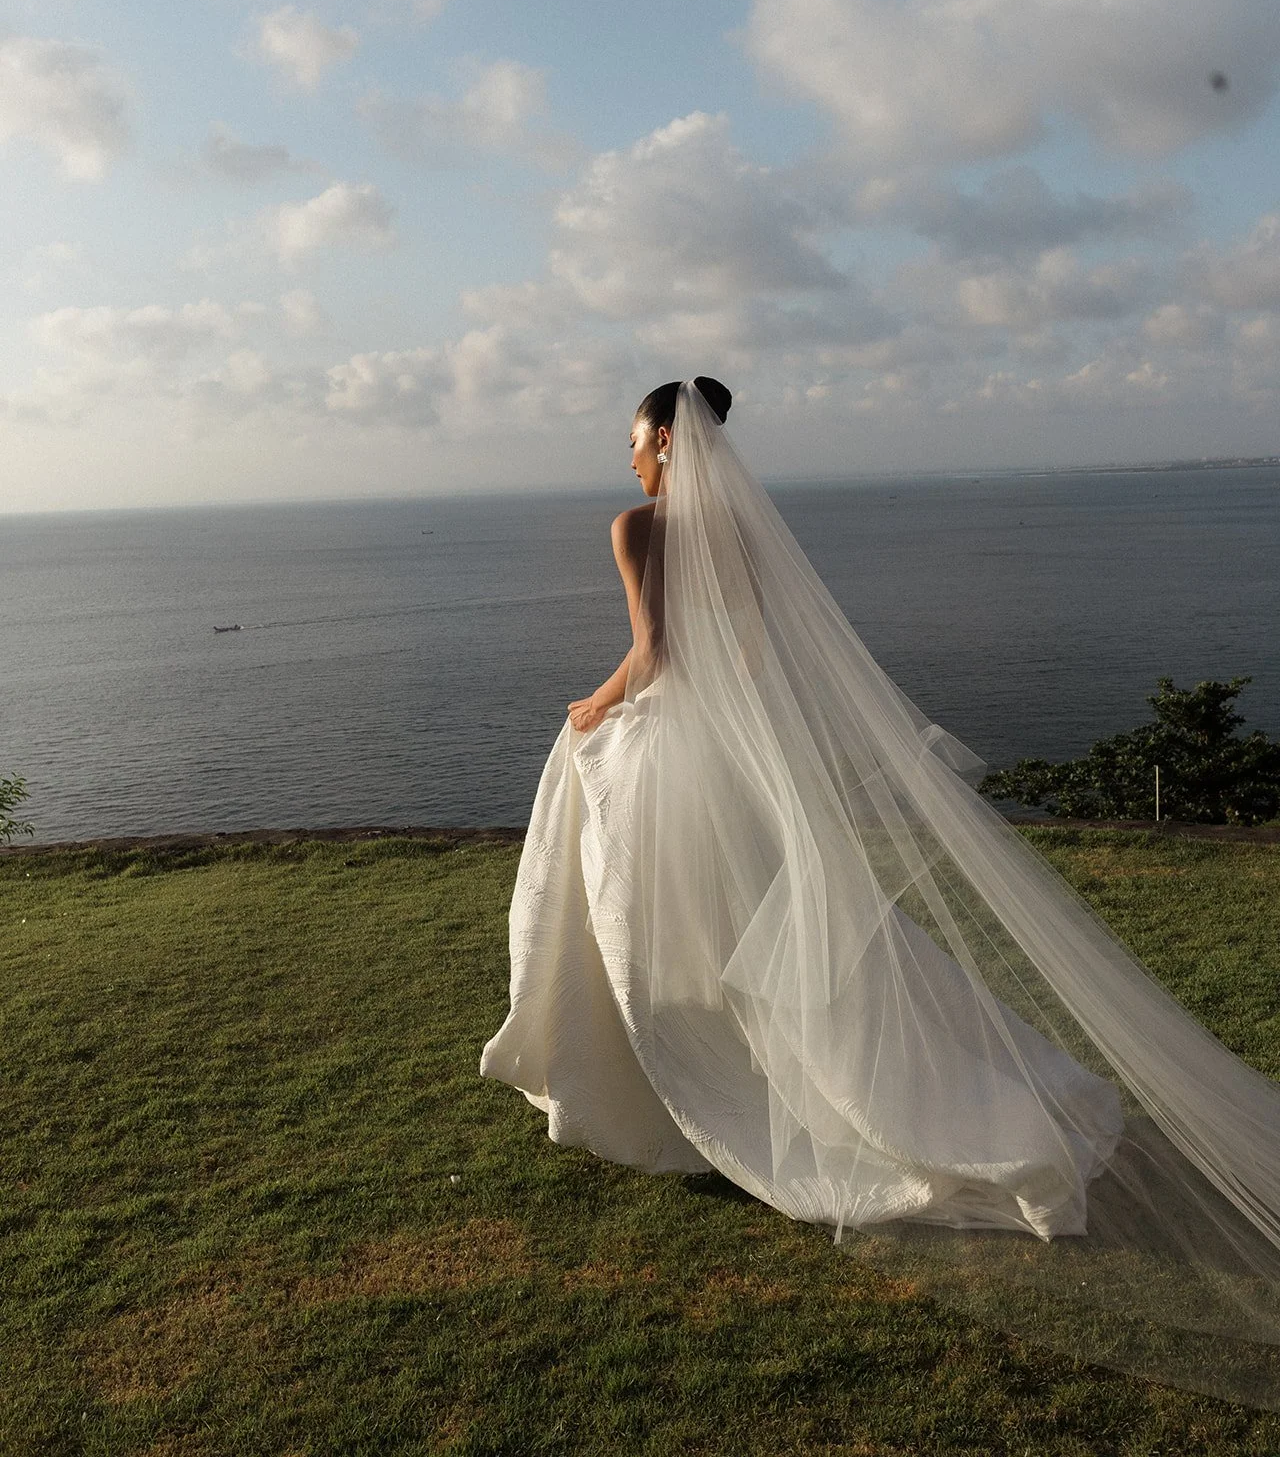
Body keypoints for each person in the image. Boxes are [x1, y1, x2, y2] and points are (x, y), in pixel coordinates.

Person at [481, 377, 1280, 1409]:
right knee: (746, 927)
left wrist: (591, 707)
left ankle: (660, 1090)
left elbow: (654, 651)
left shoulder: (635, 528)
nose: (628, 458)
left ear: (667, 441)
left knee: (642, 925)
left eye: (635, 441)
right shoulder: (739, 536)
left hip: (662, 751)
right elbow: (748, 656)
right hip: (725, 755)